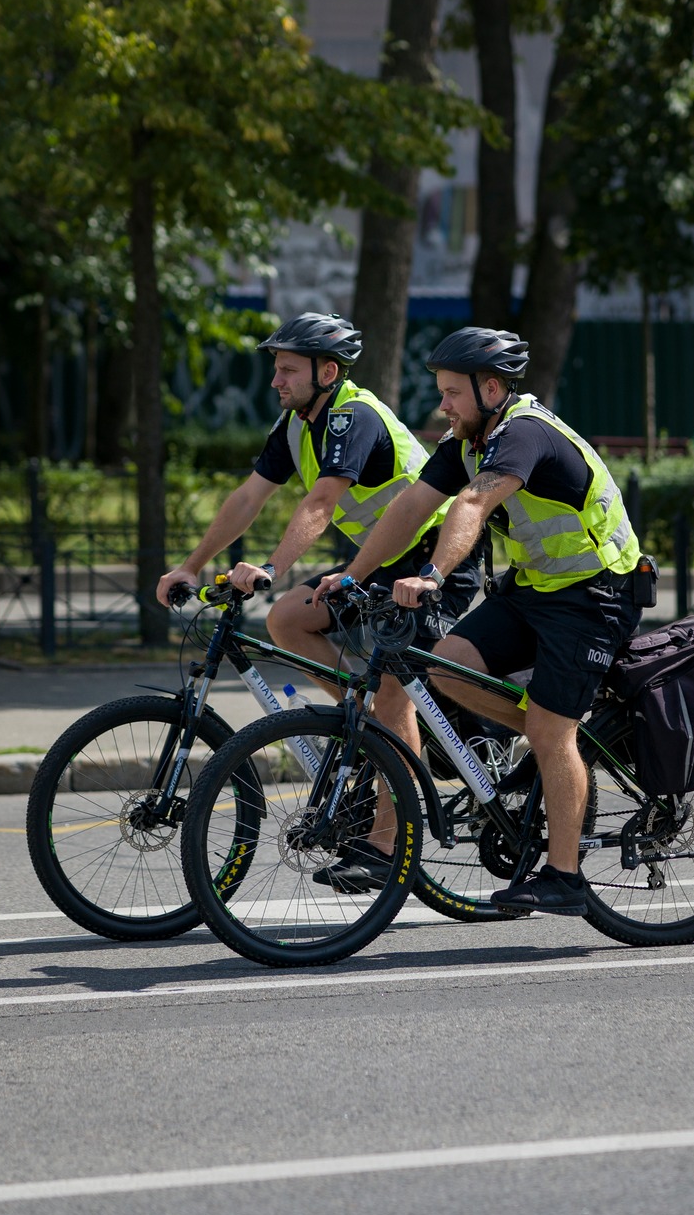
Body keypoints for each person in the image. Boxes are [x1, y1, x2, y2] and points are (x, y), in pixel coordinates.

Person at [320, 327, 642, 918]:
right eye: (441, 391)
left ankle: (565, 877)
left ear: (491, 388)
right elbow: (413, 506)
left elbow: (472, 504)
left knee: (551, 730)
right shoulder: (468, 438)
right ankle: (548, 746)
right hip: (534, 590)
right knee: (449, 667)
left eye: (452, 392)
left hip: (597, 595)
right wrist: (354, 575)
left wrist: (435, 575)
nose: (443, 404)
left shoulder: (523, 434)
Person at [154, 313, 482, 891]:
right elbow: (249, 496)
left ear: (326, 371)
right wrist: (192, 565)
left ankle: (390, 845)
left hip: (432, 565)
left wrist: (273, 568)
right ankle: (372, 724)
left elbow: (323, 500)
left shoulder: (353, 416)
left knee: (391, 694)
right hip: (377, 565)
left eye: (287, 370)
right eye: (275, 369)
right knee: (287, 619)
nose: (275, 380)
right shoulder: (294, 426)